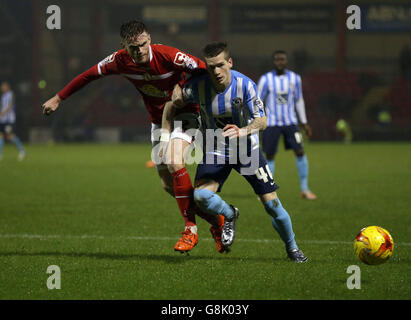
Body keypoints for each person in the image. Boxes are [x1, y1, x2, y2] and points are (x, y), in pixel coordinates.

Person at [41, 20, 225, 254]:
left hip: (186, 114)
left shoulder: (170, 56)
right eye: (133, 48)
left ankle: (190, 229)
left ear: (149, 39)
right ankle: (217, 221)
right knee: (168, 185)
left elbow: (205, 70)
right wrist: (58, 98)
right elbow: (88, 76)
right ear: (123, 46)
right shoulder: (119, 61)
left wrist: (186, 86)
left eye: (143, 45)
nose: (139, 51)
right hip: (158, 122)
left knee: (174, 161)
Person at [162, 42, 308, 262]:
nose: (217, 71)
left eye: (220, 65)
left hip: (247, 149)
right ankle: (230, 214)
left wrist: (244, 130)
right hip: (216, 149)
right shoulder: (198, 86)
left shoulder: (245, 85)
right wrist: (174, 99)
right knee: (200, 196)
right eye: (211, 67)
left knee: (273, 205)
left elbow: (263, 121)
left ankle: (292, 248)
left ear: (230, 62)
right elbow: (172, 102)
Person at [257, 50, 317, 200]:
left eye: (282, 59)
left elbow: (299, 100)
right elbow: (257, 101)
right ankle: (266, 190)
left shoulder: (295, 78)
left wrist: (304, 123)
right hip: (271, 123)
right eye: (277, 59)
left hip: (291, 122)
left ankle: (304, 189)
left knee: (300, 152)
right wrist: (257, 121)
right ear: (273, 62)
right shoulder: (266, 79)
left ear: (286, 61)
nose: (280, 62)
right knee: (269, 156)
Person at [0, 81, 26, 161]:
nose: (2, 88)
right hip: (2, 119)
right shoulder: (3, 96)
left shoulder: (11, 94)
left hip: (9, 119)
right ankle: (0, 154)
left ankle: (22, 150)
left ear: (8, 87)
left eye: (3, 86)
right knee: (0, 135)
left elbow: (9, 106)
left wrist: (2, 113)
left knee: (10, 136)